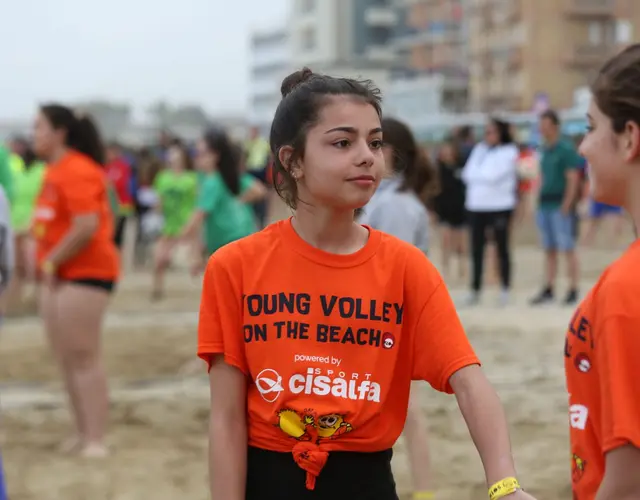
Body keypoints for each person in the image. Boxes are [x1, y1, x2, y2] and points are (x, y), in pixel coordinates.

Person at [197, 67, 536, 500]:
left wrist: (505, 485)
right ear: (292, 160)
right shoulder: (234, 266)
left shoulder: (405, 267)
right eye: (343, 143)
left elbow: (469, 382)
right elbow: (226, 419)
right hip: (267, 479)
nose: (367, 157)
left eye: (374, 142)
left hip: (369, 482)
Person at [565, 43, 640, 499]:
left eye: (591, 127)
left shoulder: (627, 287)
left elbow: (630, 485)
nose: (584, 146)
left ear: (630, 138)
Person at [31, 104, 119, 457]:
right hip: (59, 274)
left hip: (87, 273)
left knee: (84, 357)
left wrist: (51, 260)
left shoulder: (78, 169)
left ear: (59, 132)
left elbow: (86, 226)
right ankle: (82, 433)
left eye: (39, 126)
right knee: (66, 357)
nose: (33, 133)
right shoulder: (53, 171)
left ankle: (96, 438)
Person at [358, 117, 439, 499]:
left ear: (392, 154)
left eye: (374, 144)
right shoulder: (389, 201)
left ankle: (423, 490)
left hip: (385, 322)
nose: (363, 154)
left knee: (408, 413)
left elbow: (392, 271)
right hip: (382, 320)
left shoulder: (397, 206)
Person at [180, 129, 266, 275]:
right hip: (240, 241)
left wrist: (178, 241)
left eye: (201, 154)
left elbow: (199, 215)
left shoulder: (213, 181)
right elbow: (260, 190)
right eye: (195, 153)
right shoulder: (223, 176)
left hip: (231, 244)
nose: (196, 158)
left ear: (215, 156)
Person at [461, 118, 519, 306]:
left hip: (499, 205)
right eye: (486, 132)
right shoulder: (480, 149)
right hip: (476, 205)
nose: (488, 136)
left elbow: (493, 176)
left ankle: (504, 288)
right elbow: (467, 174)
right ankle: (475, 289)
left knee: (502, 247)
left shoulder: (509, 151)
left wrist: (479, 176)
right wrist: (480, 176)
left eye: (492, 132)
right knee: (476, 248)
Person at [530, 110, 581, 306]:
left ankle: (573, 287)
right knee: (549, 248)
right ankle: (549, 287)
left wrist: (567, 204)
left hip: (560, 204)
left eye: (546, 125)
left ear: (555, 127)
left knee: (567, 247)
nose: (543, 129)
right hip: (545, 203)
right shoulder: (544, 150)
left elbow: (572, 178)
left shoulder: (565, 150)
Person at [151, 140, 198, 300]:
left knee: (196, 259)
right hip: (169, 224)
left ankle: (200, 290)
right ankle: (157, 289)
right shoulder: (163, 177)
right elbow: (158, 201)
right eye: (170, 153)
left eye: (176, 153)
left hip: (187, 222)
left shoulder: (191, 178)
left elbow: (198, 200)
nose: (172, 156)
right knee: (159, 258)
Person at [6, 144, 44, 314]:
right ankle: (14, 302)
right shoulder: (15, 168)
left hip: (34, 224)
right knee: (16, 266)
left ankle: (38, 301)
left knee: (34, 266)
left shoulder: (43, 170)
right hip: (14, 222)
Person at [433, 138, 467, 280]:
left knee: (461, 243)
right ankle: (446, 269)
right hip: (444, 210)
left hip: (460, 209)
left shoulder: (462, 167)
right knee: (445, 241)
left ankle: (462, 269)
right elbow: (434, 191)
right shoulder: (438, 169)